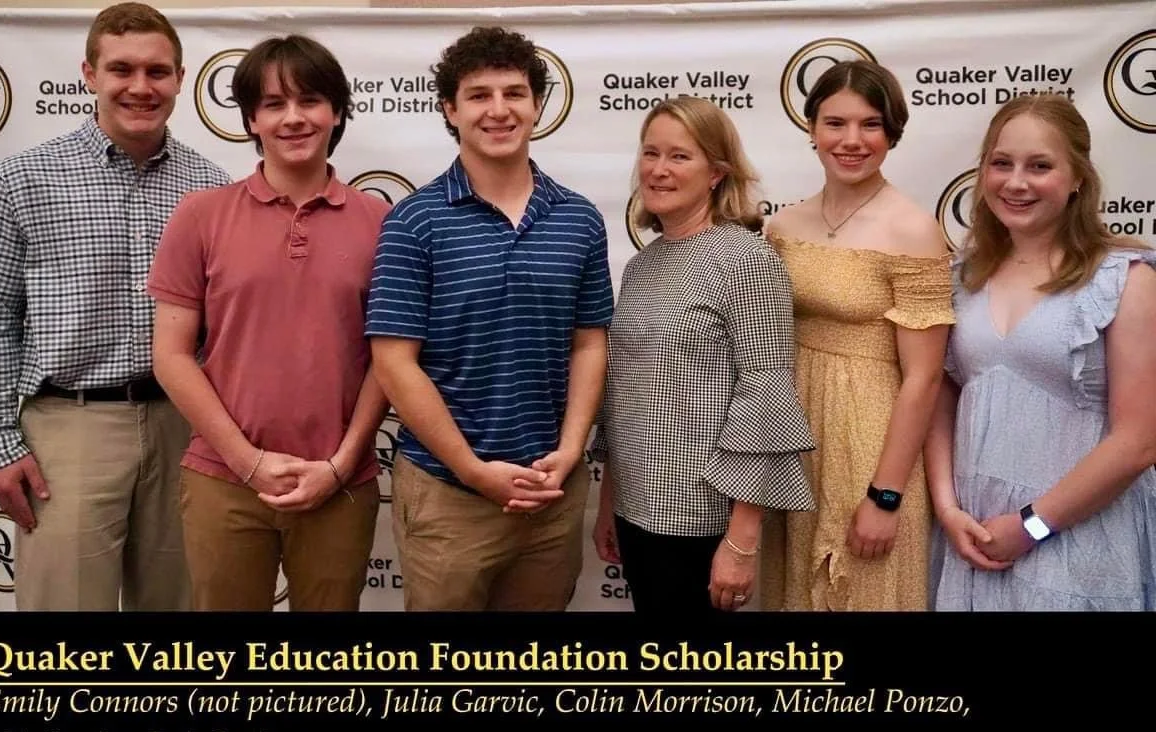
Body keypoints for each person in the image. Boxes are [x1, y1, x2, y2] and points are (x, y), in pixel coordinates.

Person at [0, 3, 231, 612]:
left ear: (180, 79)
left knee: (182, 609)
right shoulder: (23, 179)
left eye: (157, 71)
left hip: (184, 426)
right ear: (89, 74)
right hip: (68, 430)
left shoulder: (211, 188)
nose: (141, 87)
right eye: (121, 69)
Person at [365, 25, 614, 612]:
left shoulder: (579, 219)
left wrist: (570, 450)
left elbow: (589, 343)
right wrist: (473, 470)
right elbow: (394, 363)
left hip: (551, 489)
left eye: (514, 93)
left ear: (538, 105)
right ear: (450, 110)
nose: (498, 110)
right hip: (449, 493)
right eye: (479, 95)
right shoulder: (414, 221)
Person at [148, 34, 390, 611]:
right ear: (251, 120)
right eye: (274, 104)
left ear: (337, 111)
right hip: (223, 479)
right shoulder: (201, 215)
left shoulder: (383, 223)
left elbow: (390, 361)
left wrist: (338, 467)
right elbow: (171, 356)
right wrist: (248, 461)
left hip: (340, 484)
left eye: (310, 100)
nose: (293, 118)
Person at [925, 95, 1156, 611]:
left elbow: (1139, 442)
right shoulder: (961, 277)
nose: (1016, 182)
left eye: (1040, 166)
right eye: (1001, 163)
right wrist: (946, 508)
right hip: (973, 538)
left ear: (1077, 179)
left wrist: (1032, 525)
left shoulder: (1125, 280)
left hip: (1081, 543)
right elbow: (941, 395)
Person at [589, 97, 815, 614]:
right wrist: (608, 504)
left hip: (704, 521)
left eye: (679, 156)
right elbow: (626, 393)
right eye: (651, 153)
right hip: (635, 510)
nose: (658, 169)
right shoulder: (643, 265)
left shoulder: (745, 259)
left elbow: (766, 398)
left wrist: (742, 540)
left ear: (716, 173)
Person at [760, 60, 954, 612]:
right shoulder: (783, 225)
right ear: (812, 128)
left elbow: (924, 378)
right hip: (792, 442)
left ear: (892, 132)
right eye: (835, 123)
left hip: (873, 444)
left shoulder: (914, 231)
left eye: (870, 124)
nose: (852, 140)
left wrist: (885, 495)